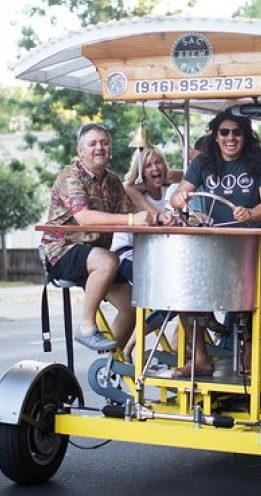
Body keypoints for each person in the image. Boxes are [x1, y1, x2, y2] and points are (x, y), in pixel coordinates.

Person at [170, 110, 261, 376]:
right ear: (216, 136)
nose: (231, 138)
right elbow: (178, 194)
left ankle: (249, 355)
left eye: (237, 132)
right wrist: (180, 199)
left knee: (249, 297)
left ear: (245, 136)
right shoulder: (205, 161)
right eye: (225, 132)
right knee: (182, 290)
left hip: (247, 243)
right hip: (210, 243)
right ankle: (200, 358)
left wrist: (251, 213)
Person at [40, 123, 153, 352]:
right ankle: (86, 327)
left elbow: (130, 213)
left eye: (104, 143)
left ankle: (112, 362)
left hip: (95, 255)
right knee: (108, 260)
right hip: (63, 251)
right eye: (92, 144)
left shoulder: (112, 181)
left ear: (110, 149)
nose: (99, 148)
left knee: (133, 304)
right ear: (80, 152)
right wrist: (133, 220)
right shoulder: (69, 176)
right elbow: (84, 218)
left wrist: (158, 219)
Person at [110, 146, 177, 361]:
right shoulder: (134, 191)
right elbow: (156, 216)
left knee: (179, 299)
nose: (155, 168)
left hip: (155, 255)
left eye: (158, 162)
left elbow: (189, 173)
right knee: (170, 295)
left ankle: (132, 344)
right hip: (127, 252)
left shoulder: (169, 189)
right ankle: (128, 347)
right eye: (148, 165)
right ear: (140, 171)